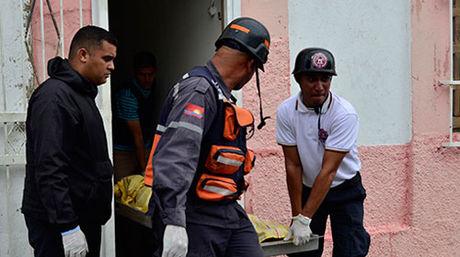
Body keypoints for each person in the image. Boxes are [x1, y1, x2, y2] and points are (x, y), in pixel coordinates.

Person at [144, 17, 271, 257]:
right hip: (194, 213)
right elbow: (176, 157)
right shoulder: (199, 90)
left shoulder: (219, 92)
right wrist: (174, 221)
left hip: (225, 211)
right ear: (250, 64)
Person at [21, 25, 117, 257]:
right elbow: (49, 165)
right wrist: (68, 227)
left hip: (82, 218)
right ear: (83, 55)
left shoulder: (81, 94)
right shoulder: (54, 97)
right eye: (106, 58)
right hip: (59, 224)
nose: (112, 67)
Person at [276, 48, 370, 257]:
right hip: (309, 187)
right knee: (302, 251)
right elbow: (293, 165)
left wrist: (304, 218)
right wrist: (297, 216)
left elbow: (328, 171)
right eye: (312, 79)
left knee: (351, 250)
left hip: (344, 188)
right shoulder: (286, 111)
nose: (319, 87)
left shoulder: (344, 113)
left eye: (325, 79)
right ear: (299, 80)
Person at [113, 51, 158, 182]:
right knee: (123, 190)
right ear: (135, 73)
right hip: (122, 152)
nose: (147, 79)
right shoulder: (127, 95)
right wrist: (144, 170)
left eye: (151, 74)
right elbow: (137, 136)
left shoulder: (152, 86)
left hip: (145, 145)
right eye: (142, 75)